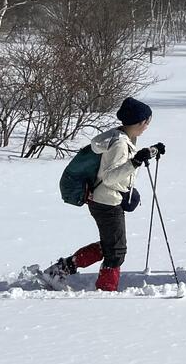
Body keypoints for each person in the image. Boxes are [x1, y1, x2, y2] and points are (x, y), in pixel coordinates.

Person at [42, 96, 165, 292]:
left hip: (107, 199)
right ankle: (104, 289)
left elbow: (121, 166)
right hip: (106, 202)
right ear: (138, 121)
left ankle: (61, 269)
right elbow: (109, 177)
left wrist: (150, 151)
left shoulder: (123, 137)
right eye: (146, 121)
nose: (147, 126)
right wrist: (136, 162)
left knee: (112, 245)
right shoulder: (118, 143)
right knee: (116, 251)